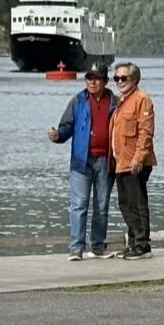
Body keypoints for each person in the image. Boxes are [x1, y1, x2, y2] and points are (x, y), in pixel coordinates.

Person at [49, 63, 118, 261]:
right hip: (81, 161)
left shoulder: (115, 102)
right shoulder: (77, 101)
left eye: (96, 78)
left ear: (104, 81)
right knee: (79, 204)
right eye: (89, 78)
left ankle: (97, 246)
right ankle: (76, 248)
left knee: (102, 205)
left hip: (106, 161)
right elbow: (66, 127)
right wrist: (57, 136)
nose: (92, 82)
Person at [110, 62, 157, 260]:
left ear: (134, 79)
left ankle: (142, 244)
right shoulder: (122, 101)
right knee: (125, 204)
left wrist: (139, 157)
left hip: (135, 162)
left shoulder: (141, 100)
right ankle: (133, 242)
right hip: (121, 162)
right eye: (116, 78)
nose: (119, 82)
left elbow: (146, 132)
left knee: (137, 203)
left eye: (124, 78)